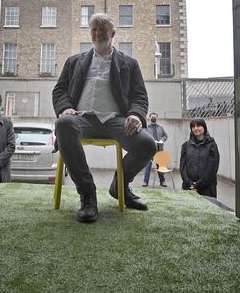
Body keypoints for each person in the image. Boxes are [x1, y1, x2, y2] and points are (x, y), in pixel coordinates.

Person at [53, 13, 156, 223]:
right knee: (63, 123)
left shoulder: (130, 64)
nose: (98, 33)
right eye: (94, 29)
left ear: (113, 33)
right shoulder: (74, 62)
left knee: (148, 144)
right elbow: (59, 91)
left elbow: (139, 96)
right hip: (81, 119)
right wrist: (65, 108)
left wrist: (135, 115)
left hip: (116, 120)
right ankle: (88, 194)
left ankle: (119, 186)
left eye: (103, 29)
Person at [179, 118, 220, 197]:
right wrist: (189, 183)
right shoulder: (186, 146)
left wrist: (198, 184)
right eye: (193, 127)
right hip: (188, 187)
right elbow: (183, 166)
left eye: (198, 126)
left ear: (204, 127)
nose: (196, 128)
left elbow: (212, 168)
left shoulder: (212, 145)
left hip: (207, 188)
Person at [142, 112, 168, 187]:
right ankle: (145, 181)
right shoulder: (146, 128)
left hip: (159, 149)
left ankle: (162, 181)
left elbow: (165, 136)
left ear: (157, 118)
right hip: (150, 149)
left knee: (160, 165)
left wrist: (162, 140)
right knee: (148, 165)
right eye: (152, 117)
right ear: (150, 118)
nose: (153, 118)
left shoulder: (160, 128)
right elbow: (144, 136)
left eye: (155, 117)